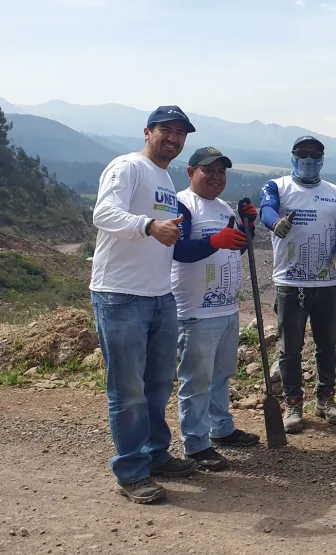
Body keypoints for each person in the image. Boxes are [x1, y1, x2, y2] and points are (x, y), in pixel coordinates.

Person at [90, 105, 200, 503]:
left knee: (156, 385)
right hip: (120, 294)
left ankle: (155, 454)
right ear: (147, 131)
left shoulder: (165, 178)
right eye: (166, 130)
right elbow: (103, 212)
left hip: (158, 296)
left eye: (180, 133)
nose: (173, 138)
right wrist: (148, 226)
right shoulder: (128, 166)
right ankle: (132, 472)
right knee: (129, 389)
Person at [170, 147, 262, 471]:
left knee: (221, 374)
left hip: (226, 308)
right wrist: (214, 242)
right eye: (208, 170)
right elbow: (177, 251)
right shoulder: (182, 204)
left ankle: (221, 428)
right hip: (196, 311)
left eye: (221, 172)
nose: (216, 177)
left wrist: (249, 225)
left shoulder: (225, 209)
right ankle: (195, 445)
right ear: (191, 172)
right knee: (196, 380)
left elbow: (236, 249)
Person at [260, 136, 336, 432]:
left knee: (327, 343)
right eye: (303, 154)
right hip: (291, 281)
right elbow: (266, 209)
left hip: (326, 282)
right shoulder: (277, 186)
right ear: (292, 156)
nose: (309, 159)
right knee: (290, 346)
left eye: (315, 155)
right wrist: (275, 223)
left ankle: (325, 399)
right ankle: (292, 404)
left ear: (323, 159)